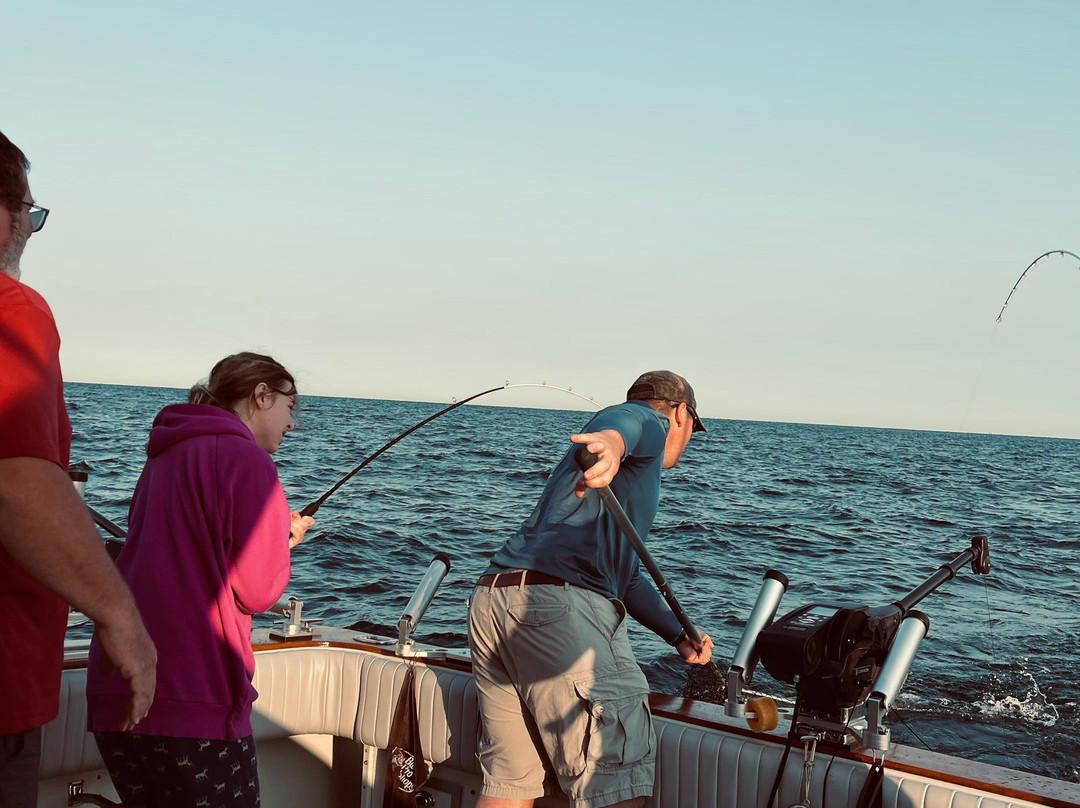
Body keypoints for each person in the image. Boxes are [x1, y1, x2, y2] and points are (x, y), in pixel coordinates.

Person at [468, 370, 716, 808]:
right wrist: (613, 444)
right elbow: (628, 422)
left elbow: (626, 578)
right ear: (681, 414)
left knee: (509, 783)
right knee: (615, 781)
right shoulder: (648, 425)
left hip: (495, 598)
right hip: (556, 608)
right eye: (693, 427)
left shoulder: (602, 478)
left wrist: (677, 634)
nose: (689, 438)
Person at [0, 131, 157, 808]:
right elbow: (17, 482)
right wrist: (120, 616)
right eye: (29, 214)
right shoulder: (13, 312)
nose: (30, 232)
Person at [85, 352, 315, 808]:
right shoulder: (250, 462)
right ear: (261, 396)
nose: (294, 425)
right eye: (291, 407)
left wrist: (271, 539)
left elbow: (184, 552)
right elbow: (258, 591)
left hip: (119, 692)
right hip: (195, 698)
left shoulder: (166, 452)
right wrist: (278, 546)